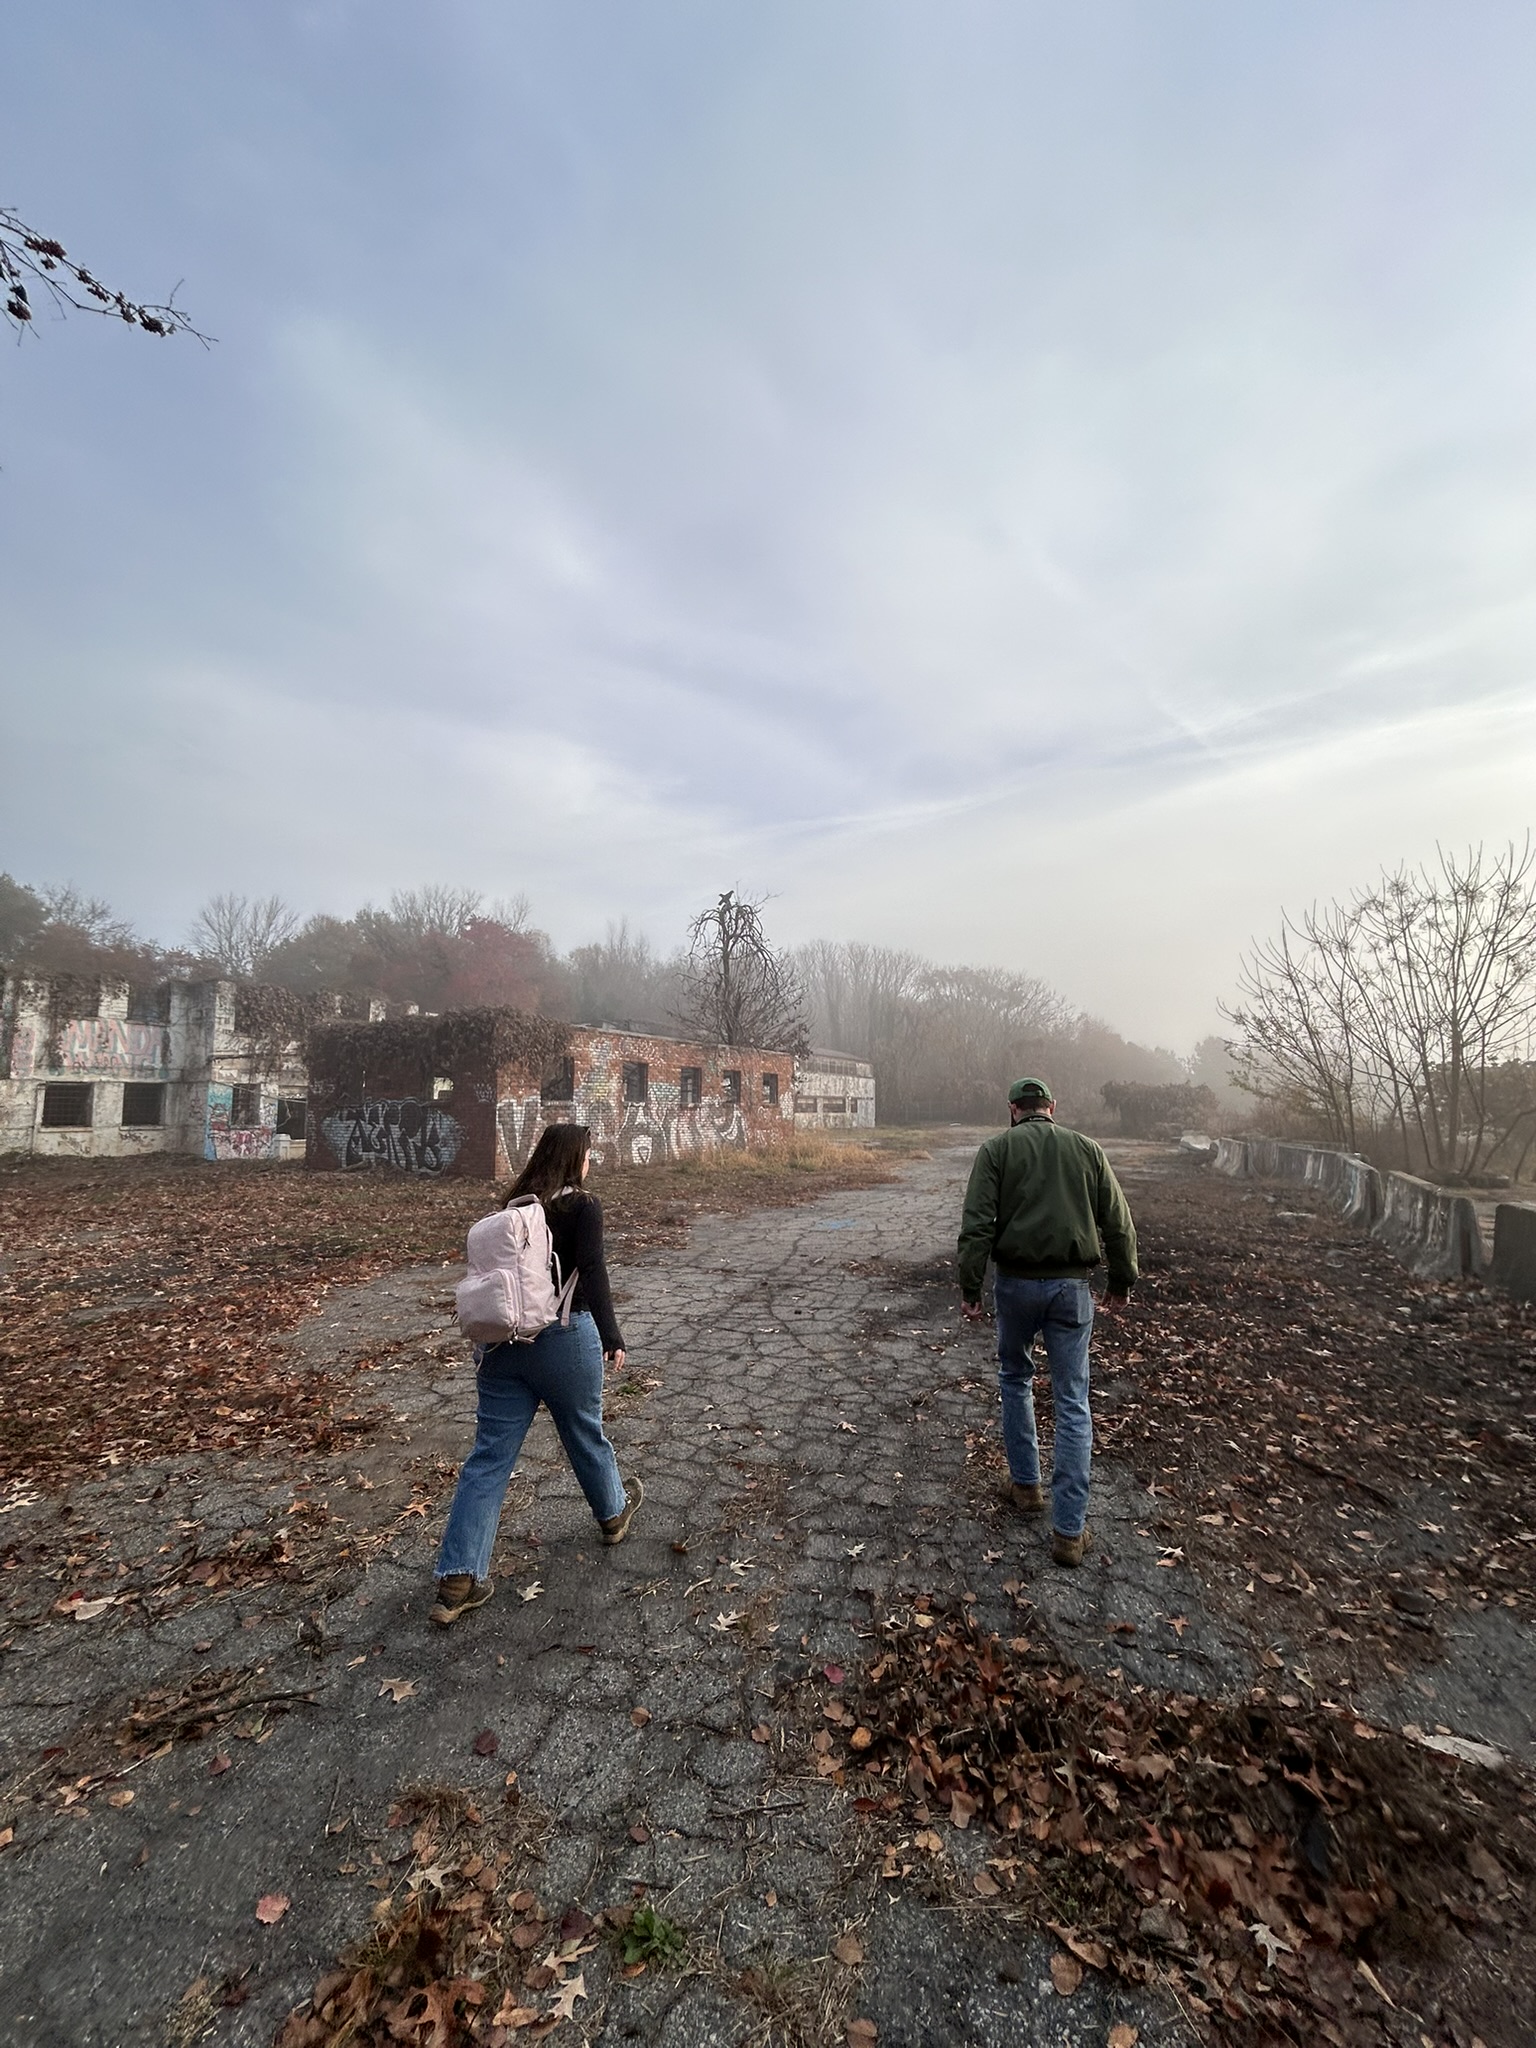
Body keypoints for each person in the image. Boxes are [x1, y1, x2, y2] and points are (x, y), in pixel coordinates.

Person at [430, 1122, 643, 1626]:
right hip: (564, 1339)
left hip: (502, 1347)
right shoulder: (582, 1206)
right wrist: (613, 1337)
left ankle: (457, 1581)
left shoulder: (514, 1206)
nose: (592, 1162)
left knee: (489, 1458)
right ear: (575, 1158)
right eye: (589, 1153)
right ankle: (613, 1515)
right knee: (584, 1433)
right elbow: (592, 1272)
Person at [957, 1078, 1137, 1568]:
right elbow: (1118, 1222)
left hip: (1015, 1286)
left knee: (1015, 1377)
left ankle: (1026, 1486)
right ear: (1052, 1108)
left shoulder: (996, 1150)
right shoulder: (1087, 1149)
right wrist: (1121, 1281)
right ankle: (1069, 1533)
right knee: (1072, 1399)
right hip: (1070, 1289)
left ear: (1013, 1109)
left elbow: (977, 1224)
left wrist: (971, 1286)